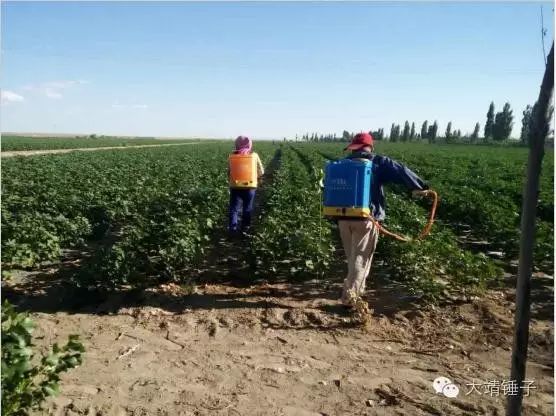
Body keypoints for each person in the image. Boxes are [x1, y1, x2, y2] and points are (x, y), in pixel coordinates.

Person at [336, 132, 429, 307]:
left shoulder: (343, 164)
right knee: (361, 259)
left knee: (352, 257)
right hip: (366, 219)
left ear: (354, 147)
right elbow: (400, 170)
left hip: (342, 217)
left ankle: (353, 289)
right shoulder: (377, 162)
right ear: (370, 147)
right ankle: (350, 298)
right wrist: (419, 186)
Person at [228, 136, 264, 236]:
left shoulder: (231, 155)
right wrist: (258, 177)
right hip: (250, 186)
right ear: (249, 144)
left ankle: (232, 230)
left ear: (237, 144)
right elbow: (261, 171)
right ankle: (245, 230)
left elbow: (229, 171)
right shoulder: (254, 155)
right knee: (247, 208)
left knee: (234, 209)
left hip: (235, 185)